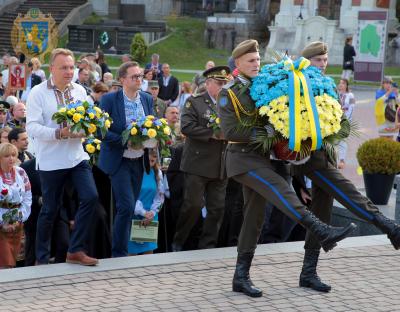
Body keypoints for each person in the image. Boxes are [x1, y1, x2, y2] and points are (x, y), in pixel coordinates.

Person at [218, 39, 358, 298]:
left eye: (258, 59)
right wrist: (268, 131)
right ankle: (321, 230)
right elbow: (230, 131)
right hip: (241, 160)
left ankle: (241, 276)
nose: (256, 64)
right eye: (251, 61)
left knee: (254, 218)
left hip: (264, 159)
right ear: (237, 63)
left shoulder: (262, 86)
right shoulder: (229, 92)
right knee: (281, 189)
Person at [293, 41, 400, 293]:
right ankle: (390, 227)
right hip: (310, 159)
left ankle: (308, 272)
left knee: (321, 214)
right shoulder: (298, 85)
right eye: (318, 60)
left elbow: (337, 125)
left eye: (326, 60)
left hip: (325, 156)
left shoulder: (327, 86)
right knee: (350, 192)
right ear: (307, 61)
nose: (323, 64)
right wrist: (296, 177)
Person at [26, 48, 99, 266]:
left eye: (71, 67)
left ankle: (75, 250)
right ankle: (41, 258)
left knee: (91, 197)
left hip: (77, 157)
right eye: (64, 67)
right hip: (50, 161)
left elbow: (90, 119)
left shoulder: (79, 91)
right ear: (52, 69)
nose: (69, 71)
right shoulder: (38, 93)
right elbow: (32, 128)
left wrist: (88, 129)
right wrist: (59, 133)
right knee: (50, 210)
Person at [98, 61, 154, 257]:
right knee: (127, 206)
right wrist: (126, 142)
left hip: (139, 161)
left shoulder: (146, 99)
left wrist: (155, 139)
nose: (139, 79)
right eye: (134, 76)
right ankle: (119, 254)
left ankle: (124, 249)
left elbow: (152, 125)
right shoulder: (109, 100)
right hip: (119, 160)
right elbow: (102, 131)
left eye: (140, 76)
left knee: (127, 208)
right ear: (122, 80)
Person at [172, 66, 230, 251]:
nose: (222, 87)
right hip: (198, 163)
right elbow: (186, 128)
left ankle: (208, 246)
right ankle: (179, 241)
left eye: (225, 83)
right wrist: (212, 134)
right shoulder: (195, 102)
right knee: (193, 206)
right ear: (208, 83)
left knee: (217, 209)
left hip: (221, 165)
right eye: (219, 83)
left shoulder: (229, 104)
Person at [0, 143, 32, 269]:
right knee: (5, 263)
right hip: (1, 225)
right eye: (6, 156)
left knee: (13, 260)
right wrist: (3, 222)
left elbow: (27, 197)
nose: (11, 159)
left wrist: (19, 219)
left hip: (17, 222)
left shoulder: (21, 172)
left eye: (13, 155)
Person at [128, 149, 165, 255]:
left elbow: (160, 197)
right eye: (149, 156)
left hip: (151, 217)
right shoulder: (133, 172)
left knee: (149, 254)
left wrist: (152, 213)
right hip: (134, 215)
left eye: (154, 158)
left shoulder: (158, 173)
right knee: (131, 254)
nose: (152, 160)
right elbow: (130, 196)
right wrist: (143, 212)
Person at [337, 78, 355, 169]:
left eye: (343, 83)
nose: (341, 85)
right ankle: (335, 159)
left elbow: (351, 108)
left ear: (347, 85)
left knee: (343, 140)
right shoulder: (337, 95)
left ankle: (342, 160)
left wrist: (346, 120)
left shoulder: (350, 95)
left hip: (346, 121)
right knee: (336, 140)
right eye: (340, 83)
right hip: (336, 121)